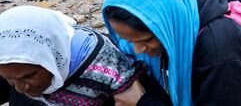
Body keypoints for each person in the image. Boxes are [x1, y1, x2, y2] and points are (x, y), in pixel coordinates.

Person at [102, 0, 241, 105]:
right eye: (128, 40)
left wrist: (142, 101)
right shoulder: (177, 13)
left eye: (147, 40)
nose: (137, 50)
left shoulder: (221, 53)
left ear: (167, 23)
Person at [0, 6, 150, 105]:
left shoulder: (105, 67)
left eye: (28, 76)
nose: (20, 87)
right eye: (10, 79)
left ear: (52, 58)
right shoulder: (11, 64)